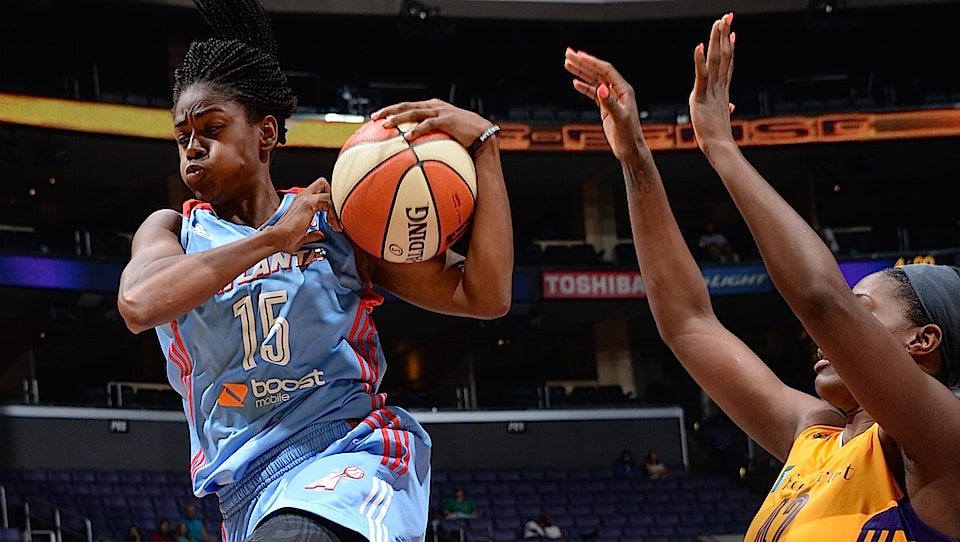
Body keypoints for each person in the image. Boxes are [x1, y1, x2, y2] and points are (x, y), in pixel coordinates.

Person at [115, 0, 513, 541]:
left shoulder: (339, 222)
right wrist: (273, 240)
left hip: (348, 452)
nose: (193, 148)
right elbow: (140, 304)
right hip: (247, 493)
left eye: (211, 128)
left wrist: (486, 150)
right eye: (182, 136)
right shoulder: (172, 232)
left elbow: (484, 295)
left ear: (266, 135)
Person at [564, 12, 960, 541]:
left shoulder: (941, 444)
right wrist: (636, 161)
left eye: (861, 312)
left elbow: (821, 300)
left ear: (924, 340)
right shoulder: (814, 435)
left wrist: (722, 149)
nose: (825, 338)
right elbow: (687, 322)